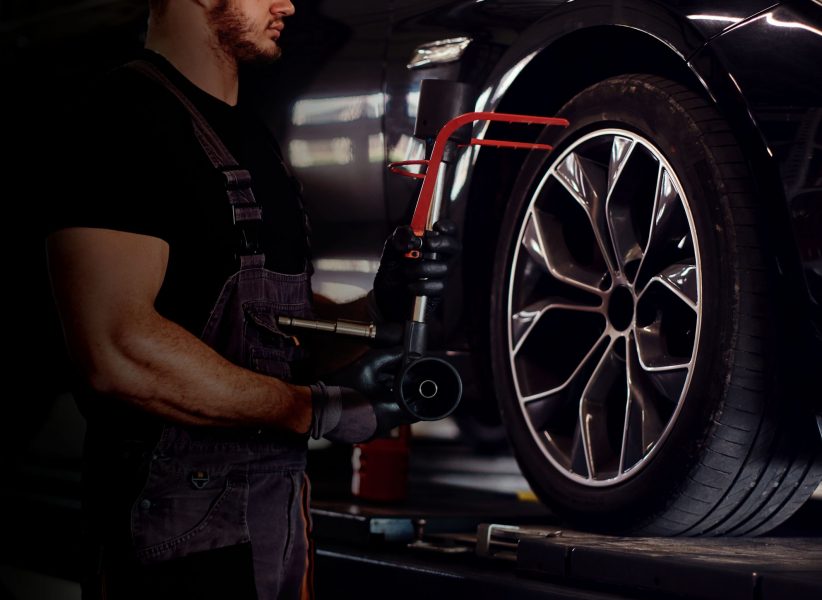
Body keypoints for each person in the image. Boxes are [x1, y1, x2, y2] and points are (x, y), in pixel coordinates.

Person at [44, 1, 460, 598]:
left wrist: (375, 309)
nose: (287, 2)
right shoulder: (120, 116)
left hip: (273, 519)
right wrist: (314, 410)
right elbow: (117, 349)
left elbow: (272, 339)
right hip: (172, 531)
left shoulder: (251, 139)